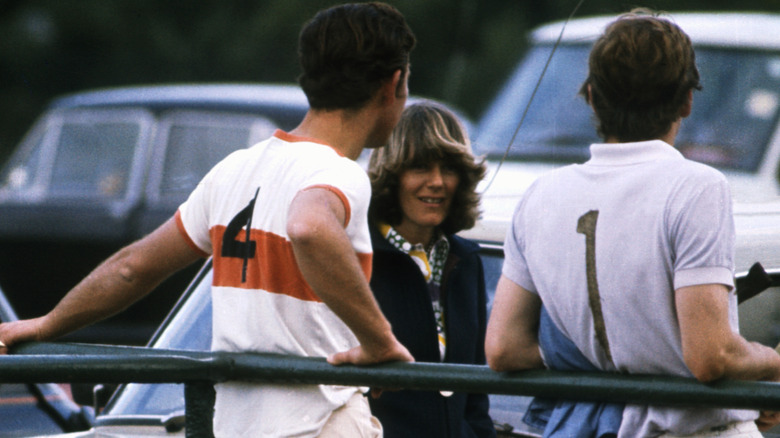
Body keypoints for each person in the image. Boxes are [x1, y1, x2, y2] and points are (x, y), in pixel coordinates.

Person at [0, 2, 417, 437]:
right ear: (393, 84)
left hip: (234, 426)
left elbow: (131, 267)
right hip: (321, 422)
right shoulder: (341, 174)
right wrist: (380, 341)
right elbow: (308, 227)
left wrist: (47, 323)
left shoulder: (235, 169)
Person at [484, 8, 780, 438]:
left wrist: (603, 360)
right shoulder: (697, 187)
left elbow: (504, 348)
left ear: (591, 96)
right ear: (687, 101)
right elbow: (710, 355)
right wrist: (772, 365)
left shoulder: (539, 196)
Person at [366, 101, 494, 438]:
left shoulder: (467, 261)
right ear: (392, 174)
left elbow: (476, 396)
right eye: (420, 167)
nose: (437, 182)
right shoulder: (356, 257)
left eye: (449, 168)